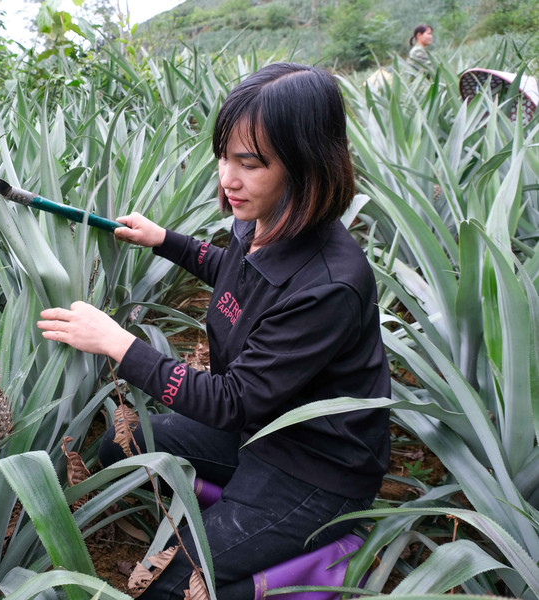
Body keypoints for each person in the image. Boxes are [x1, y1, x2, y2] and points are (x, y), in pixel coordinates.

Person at [37, 62, 390, 598]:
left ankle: (316, 563)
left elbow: (232, 401)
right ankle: (244, 516)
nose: (228, 179)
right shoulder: (262, 217)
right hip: (257, 434)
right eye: (224, 157)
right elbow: (232, 269)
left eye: (249, 164)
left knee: (174, 589)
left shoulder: (329, 285)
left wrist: (117, 342)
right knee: (120, 445)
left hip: (314, 469)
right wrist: (164, 240)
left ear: (306, 165)